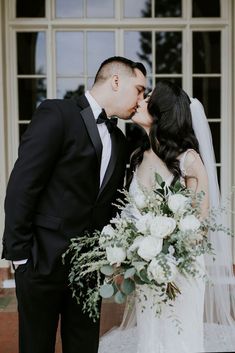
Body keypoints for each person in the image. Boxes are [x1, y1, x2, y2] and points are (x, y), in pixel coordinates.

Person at [1, 56, 147, 353]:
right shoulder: (57, 113)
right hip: (41, 262)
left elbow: (110, 203)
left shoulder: (118, 140)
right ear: (116, 81)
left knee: (84, 346)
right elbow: (22, 185)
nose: (141, 99)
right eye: (139, 89)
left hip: (88, 272)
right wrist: (20, 258)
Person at [98, 80, 235, 353]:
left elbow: (200, 225)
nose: (140, 101)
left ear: (163, 113)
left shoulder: (188, 161)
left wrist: (168, 254)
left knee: (179, 337)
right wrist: (130, 252)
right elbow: (129, 214)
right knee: (151, 336)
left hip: (181, 270)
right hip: (147, 271)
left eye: (147, 98)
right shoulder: (137, 157)